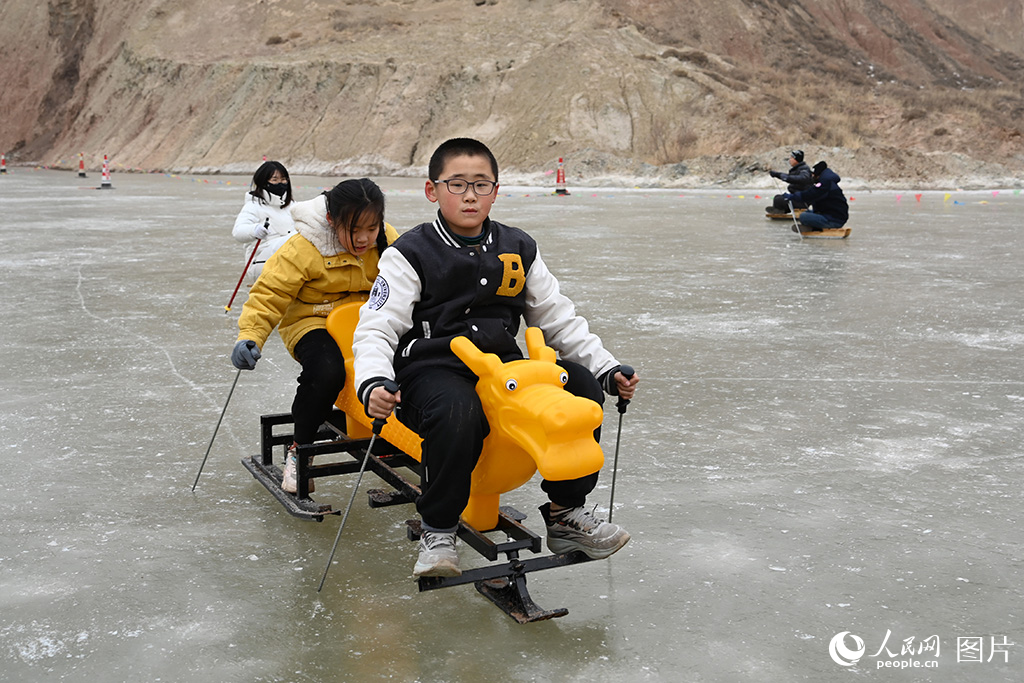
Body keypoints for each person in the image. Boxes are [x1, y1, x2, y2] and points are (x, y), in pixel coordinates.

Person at [352, 138, 640, 578]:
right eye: (457, 184)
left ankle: (565, 513)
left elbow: (558, 317)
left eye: (481, 185)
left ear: (496, 190)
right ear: (433, 190)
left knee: (579, 386)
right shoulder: (409, 253)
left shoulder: (518, 246)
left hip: (506, 370)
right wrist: (372, 381)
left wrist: (605, 368)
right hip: (433, 369)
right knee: (456, 408)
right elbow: (377, 325)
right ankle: (440, 528)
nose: (470, 195)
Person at [231, 178, 399, 493]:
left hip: (366, 321)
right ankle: (300, 448)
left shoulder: (387, 240)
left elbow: (409, 282)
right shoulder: (303, 247)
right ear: (331, 220)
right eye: (354, 229)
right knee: (326, 371)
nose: (363, 239)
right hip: (313, 320)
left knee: (410, 360)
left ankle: (401, 433)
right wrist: (250, 335)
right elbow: (269, 293)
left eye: (371, 228)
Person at [232, 161, 297, 286]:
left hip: (289, 259)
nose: (281, 183)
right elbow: (238, 232)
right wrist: (254, 230)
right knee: (294, 241)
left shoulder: (292, 206)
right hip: (261, 262)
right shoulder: (253, 206)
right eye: (275, 179)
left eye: (284, 179)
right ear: (263, 182)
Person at [781, 161, 849, 232]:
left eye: (814, 175)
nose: (812, 177)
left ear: (818, 175)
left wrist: (791, 196)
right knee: (808, 212)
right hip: (833, 215)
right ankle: (814, 226)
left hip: (834, 220)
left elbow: (809, 195)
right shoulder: (828, 183)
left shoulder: (824, 185)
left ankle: (815, 228)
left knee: (803, 216)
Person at [766, 150, 812, 214]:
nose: (789, 160)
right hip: (797, 197)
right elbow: (789, 177)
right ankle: (781, 210)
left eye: (791, 158)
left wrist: (783, 176)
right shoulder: (798, 168)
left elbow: (803, 178)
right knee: (777, 197)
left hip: (802, 201)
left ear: (796, 159)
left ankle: (780, 211)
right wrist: (777, 174)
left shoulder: (804, 169)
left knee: (778, 200)